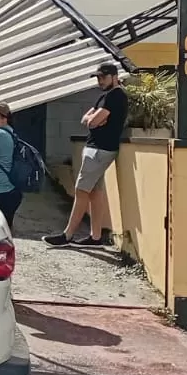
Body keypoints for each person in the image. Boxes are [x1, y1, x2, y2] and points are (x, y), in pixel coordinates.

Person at [45, 63, 128, 247]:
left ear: (114, 76)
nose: (100, 81)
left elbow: (91, 121)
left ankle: (67, 235)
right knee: (94, 192)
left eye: (103, 77)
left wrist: (93, 120)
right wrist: (93, 120)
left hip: (101, 149)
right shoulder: (105, 96)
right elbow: (88, 119)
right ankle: (96, 237)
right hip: (97, 148)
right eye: (98, 77)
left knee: (81, 190)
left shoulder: (115, 96)